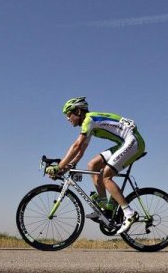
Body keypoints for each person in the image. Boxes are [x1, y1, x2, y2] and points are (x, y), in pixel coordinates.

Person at [46, 97, 145, 235]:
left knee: (106, 176)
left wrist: (58, 166)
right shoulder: (89, 124)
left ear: (78, 111)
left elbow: (76, 145)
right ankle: (105, 204)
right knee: (92, 165)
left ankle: (129, 213)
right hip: (124, 143)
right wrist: (66, 167)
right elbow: (80, 152)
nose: (67, 119)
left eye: (69, 115)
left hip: (133, 142)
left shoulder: (89, 120)